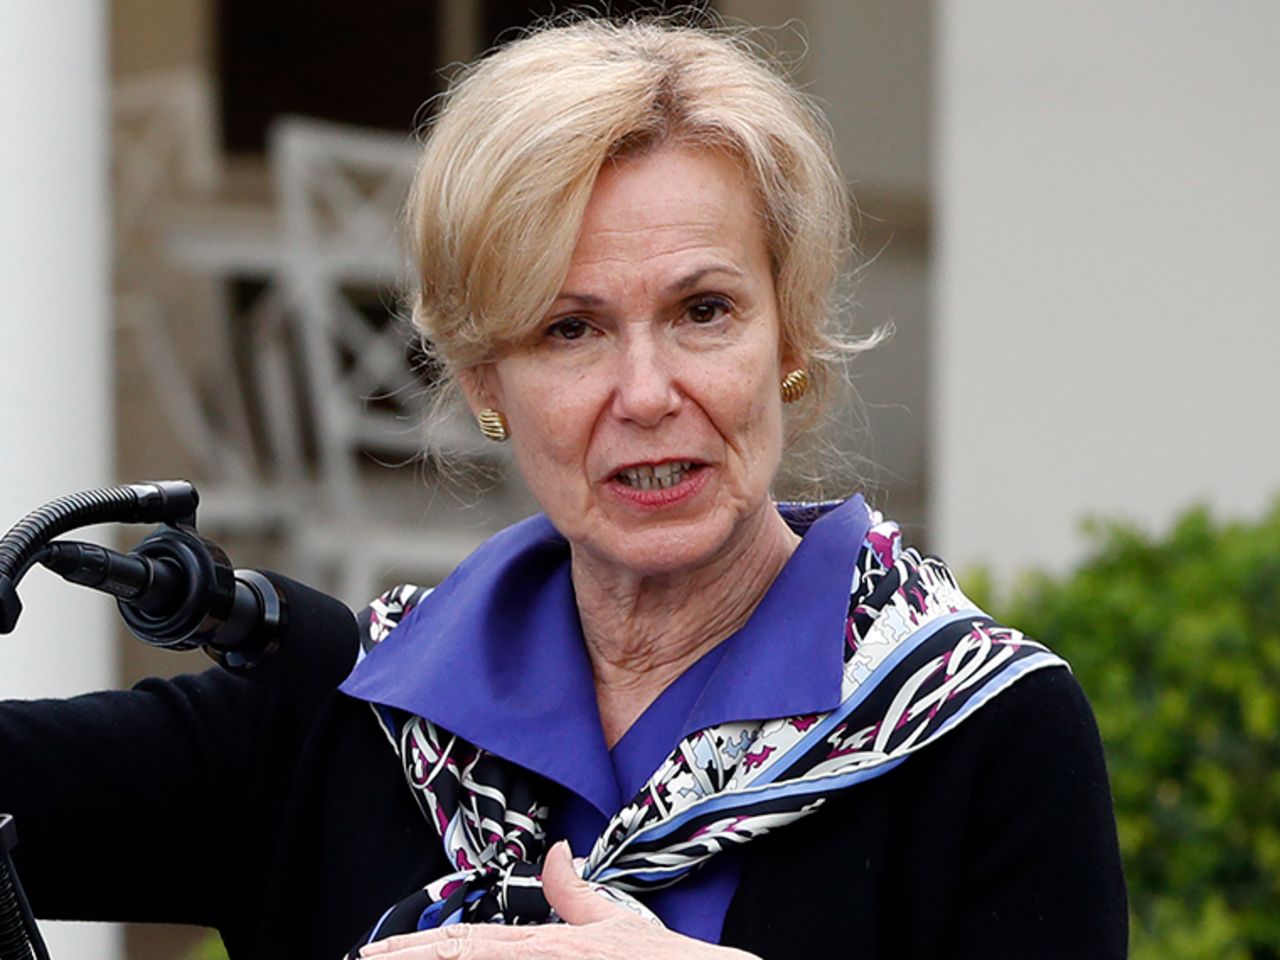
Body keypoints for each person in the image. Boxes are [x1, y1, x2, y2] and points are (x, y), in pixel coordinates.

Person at [0, 15, 1127, 959]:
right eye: (569, 328)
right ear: (486, 378)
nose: (646, 392)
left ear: (789, 331)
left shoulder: (982, 734)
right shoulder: (352, 716)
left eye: (702, 311)